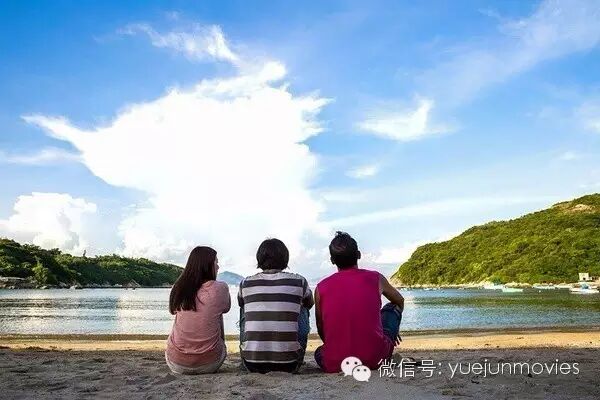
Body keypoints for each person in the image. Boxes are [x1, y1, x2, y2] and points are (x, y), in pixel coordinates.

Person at [314, 231, 404, 373]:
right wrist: (394, 330)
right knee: (392, 307)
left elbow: (320, 326)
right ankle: (385, 347)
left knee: (319, 353)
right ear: (359, 255)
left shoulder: (320, 288)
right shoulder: (376, 278)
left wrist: (336, 346)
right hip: (375, 358)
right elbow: (399, 301)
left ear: (332, 260)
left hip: (336, 363)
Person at [238, 238, 314, 373]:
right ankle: (294, 351)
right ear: (285, 258)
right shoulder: (299, 281)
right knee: (302, 306)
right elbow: (310, 303)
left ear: (259, 258)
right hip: (290, 364)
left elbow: (240, 303)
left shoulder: (245, 283)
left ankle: (251, 348)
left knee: (244, 306)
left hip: (251, 364)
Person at [165, 246, 231, 374]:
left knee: (183, 314)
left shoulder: (179, 288)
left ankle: (183, 347)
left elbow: (172, 311)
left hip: (176, 363)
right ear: (207, 266)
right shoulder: (220, 288)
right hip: (210, 363)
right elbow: (226, 308)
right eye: (216, 262)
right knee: (217, 313)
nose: (218, 267)